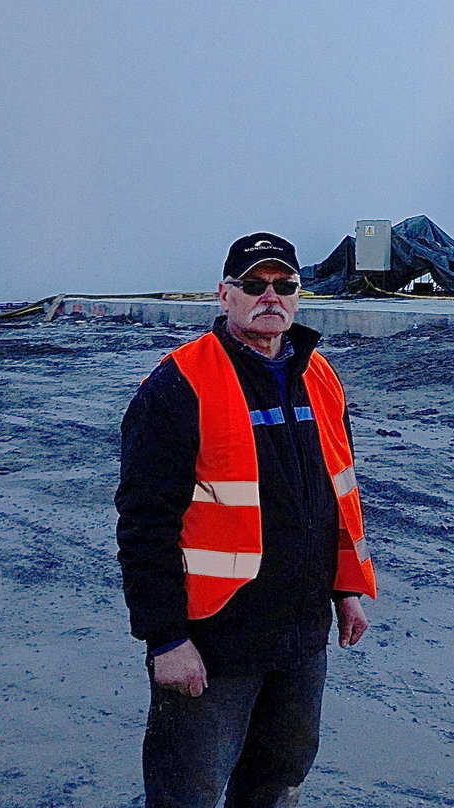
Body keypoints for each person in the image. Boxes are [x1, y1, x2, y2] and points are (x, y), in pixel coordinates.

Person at [115, 232, 377, 808]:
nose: (270, 297)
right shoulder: (181, 383)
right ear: (224, 295)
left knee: (277, 780)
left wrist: (344, 590)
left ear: (299, 297)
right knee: (187, 791)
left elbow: (331, 495)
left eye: (284, 286)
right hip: (215, 639)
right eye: (253, 285)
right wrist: (166, 639)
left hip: (301, 635)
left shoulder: (320, 377)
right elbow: (144, 523)